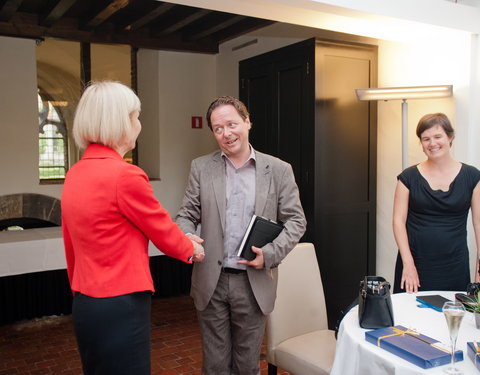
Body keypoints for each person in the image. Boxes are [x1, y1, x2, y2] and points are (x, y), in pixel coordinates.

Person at [61, 81, 205, 375]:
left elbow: (71, 243)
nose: (139, 124)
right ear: (120, 121)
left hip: (86, 303)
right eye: (136, 116)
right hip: (120, 304)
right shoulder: (124, 175)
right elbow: (162, 230)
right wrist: (192, 248)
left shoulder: (75, 173)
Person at [175, 95, 306, 374]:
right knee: (214, 365)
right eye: (218, 128)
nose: (226, 133)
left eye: (232, 124)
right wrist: (187, 235)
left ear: (247, 122)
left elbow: (296, 220)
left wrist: (269, 254)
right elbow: (186, 214)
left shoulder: (278, 170)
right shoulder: (201, 167)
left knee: (247, 366)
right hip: (211, 280)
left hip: (254, 282)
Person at [392, 112, 480, 294]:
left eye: (438, 136)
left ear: (450, 137)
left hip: (455, 264)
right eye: (426, 139)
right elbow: (398, 221)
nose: (432, 143)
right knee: (410, 319)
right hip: (415, 264)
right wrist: (408, 264)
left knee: (453, 318)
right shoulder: (408, 177)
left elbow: (479, 223)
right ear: (422, 144)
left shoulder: (472, 177)